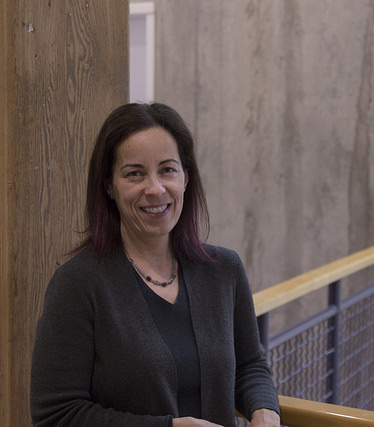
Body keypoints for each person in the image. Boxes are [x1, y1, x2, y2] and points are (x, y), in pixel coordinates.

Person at [30, 102, 281, 427]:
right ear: (109, 186)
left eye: (167, 170)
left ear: (186, 178)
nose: (155, 188)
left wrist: (265, 411)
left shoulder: (224, 270)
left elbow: (250, 366)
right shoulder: (77, 284)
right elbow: (56, 416)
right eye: (135, 173)